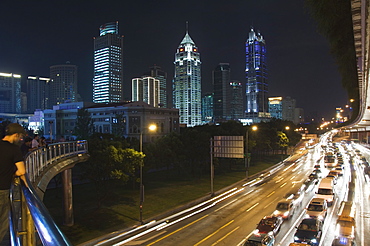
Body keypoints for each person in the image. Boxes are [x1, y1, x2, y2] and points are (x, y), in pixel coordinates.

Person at [0, 123, 26, 243]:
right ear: (15, 135)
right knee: (2, 223)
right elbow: (21, 171)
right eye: (19, 136)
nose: (20, 139)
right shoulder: (14, 149)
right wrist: (13, 173)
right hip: (2, 189)